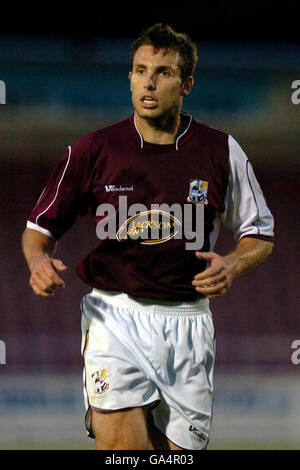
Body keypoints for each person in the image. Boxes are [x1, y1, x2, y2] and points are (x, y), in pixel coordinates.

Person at [21, 23, 274, 450]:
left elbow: (260, 233)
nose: (149, 82)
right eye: (140, 70)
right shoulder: (92, 151)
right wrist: (38, 261)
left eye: (163, 72)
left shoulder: (220, 151)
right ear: (130, 78)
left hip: (188, 324)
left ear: (186, 84)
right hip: (115, 317)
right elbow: (38, 231)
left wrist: (231, 263)